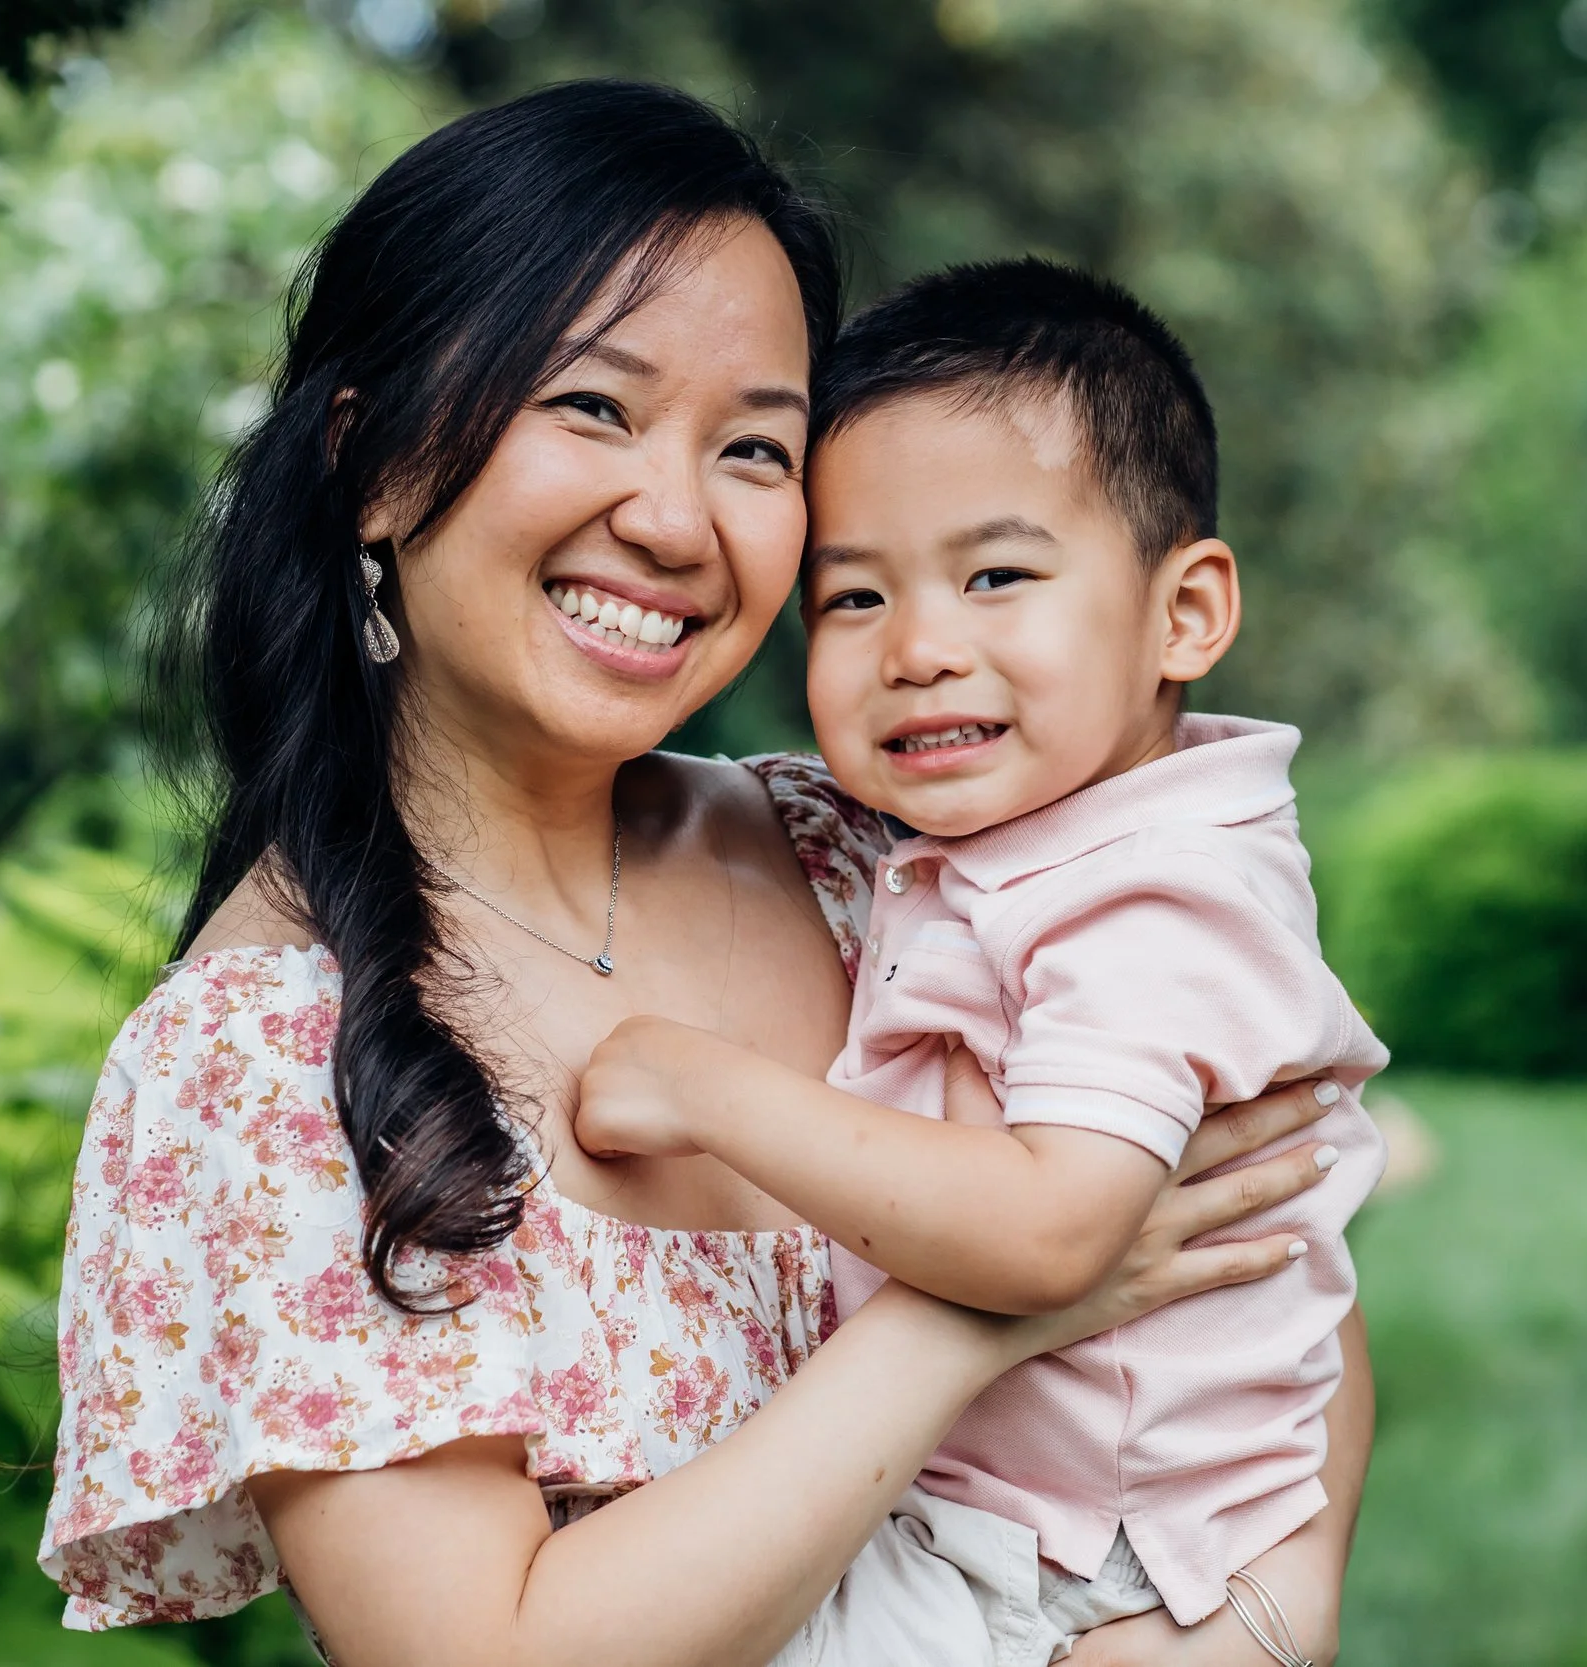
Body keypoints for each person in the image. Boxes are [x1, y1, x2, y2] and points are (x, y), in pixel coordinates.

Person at [38, 80, 1370, 1667]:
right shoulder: (266, 1054)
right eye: (594, 409)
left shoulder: (878, 855)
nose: (675, 520)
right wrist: (978, 1307)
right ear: (374, 461)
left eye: (753, 447)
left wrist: (1263, 1620)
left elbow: (1272, 1252)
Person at [574, 260, 1387, 1666]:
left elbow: (1052, 1234)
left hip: (1093, 1564)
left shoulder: (1157, 893)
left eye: (996, 576)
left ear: (1186, 613)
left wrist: (699, 1087)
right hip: (1026, 1520)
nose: (919, 649)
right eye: (853, 598)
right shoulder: (1044, 840)